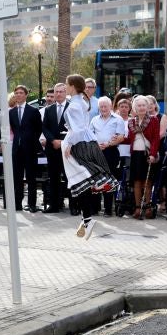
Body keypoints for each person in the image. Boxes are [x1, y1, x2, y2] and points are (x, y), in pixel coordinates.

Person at [61, 75, 118, 240]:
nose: (65, 87)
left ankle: (87, 220)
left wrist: (70, 144)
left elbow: (77, 129)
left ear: (72, 86)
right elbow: (80, 127)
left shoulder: (74, 105)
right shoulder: (82, 102)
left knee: (80, 182)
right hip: (86, 142)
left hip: (77, 145)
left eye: (66, 84)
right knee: (83, 183)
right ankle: (86, 219)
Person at [124, 95, 161, 219]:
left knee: (148, 182)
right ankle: (138, 208)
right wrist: (116, 140)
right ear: (135, 107)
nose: (141, 108)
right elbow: (130, 138)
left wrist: (153, 154)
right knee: (136, 182)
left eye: (143, 105)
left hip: (147, 154)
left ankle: (148, 207)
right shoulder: (131, 121)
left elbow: (156, 138)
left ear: (147, 107)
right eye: (139, 105)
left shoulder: (154, 120)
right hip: (135, 154)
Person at [89, 96, 126, 218]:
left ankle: (108, 209)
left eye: (105, 106)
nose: (103, 108)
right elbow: (89, 135)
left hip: (111, 152)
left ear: (110, 107)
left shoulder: (118, 119)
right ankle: (94, 208)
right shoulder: (94, 119)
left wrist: (109, 144)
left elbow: (121, 137)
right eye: (101, 106)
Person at [9, 85, 43, 213]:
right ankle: (17, 203)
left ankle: (32, 204)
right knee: (17, 177)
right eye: (16, 93)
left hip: (30, 149)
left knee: (31, 178)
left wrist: (32, 141)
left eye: (21, 93)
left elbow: (39, 128)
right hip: (16, 149)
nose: (18, 95)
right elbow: (13, 129)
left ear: (26, 95)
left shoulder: (33, 111)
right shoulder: (11, 112)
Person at [41, 83, 69, 213]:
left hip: (68, 149)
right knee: (54, 178)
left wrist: (62, 142)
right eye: (56, 91)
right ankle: (54, 205)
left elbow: (75, 128)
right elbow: (45, 127)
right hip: (52, 149)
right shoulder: (48, 109)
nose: (58, 94)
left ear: (65, 92)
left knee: (69, 177)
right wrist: (52, 140)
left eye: (61, 91)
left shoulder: (71, 108)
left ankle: (73, 206)